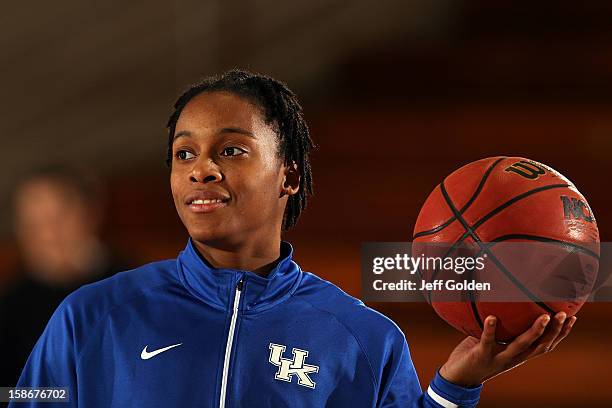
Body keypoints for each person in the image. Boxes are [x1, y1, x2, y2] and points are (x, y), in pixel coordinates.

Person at [11, 70, 574, 407]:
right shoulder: (90, 316)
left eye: (230, 149)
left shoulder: (365, 340)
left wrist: (455, 386)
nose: (200, 170)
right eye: (184, 153)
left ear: (290, 175)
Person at [0, 167, 129, 392]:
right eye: (33, 224)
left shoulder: (136, 287)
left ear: (90, 213)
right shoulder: (9, 307)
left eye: (59, 217)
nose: (48, 234)